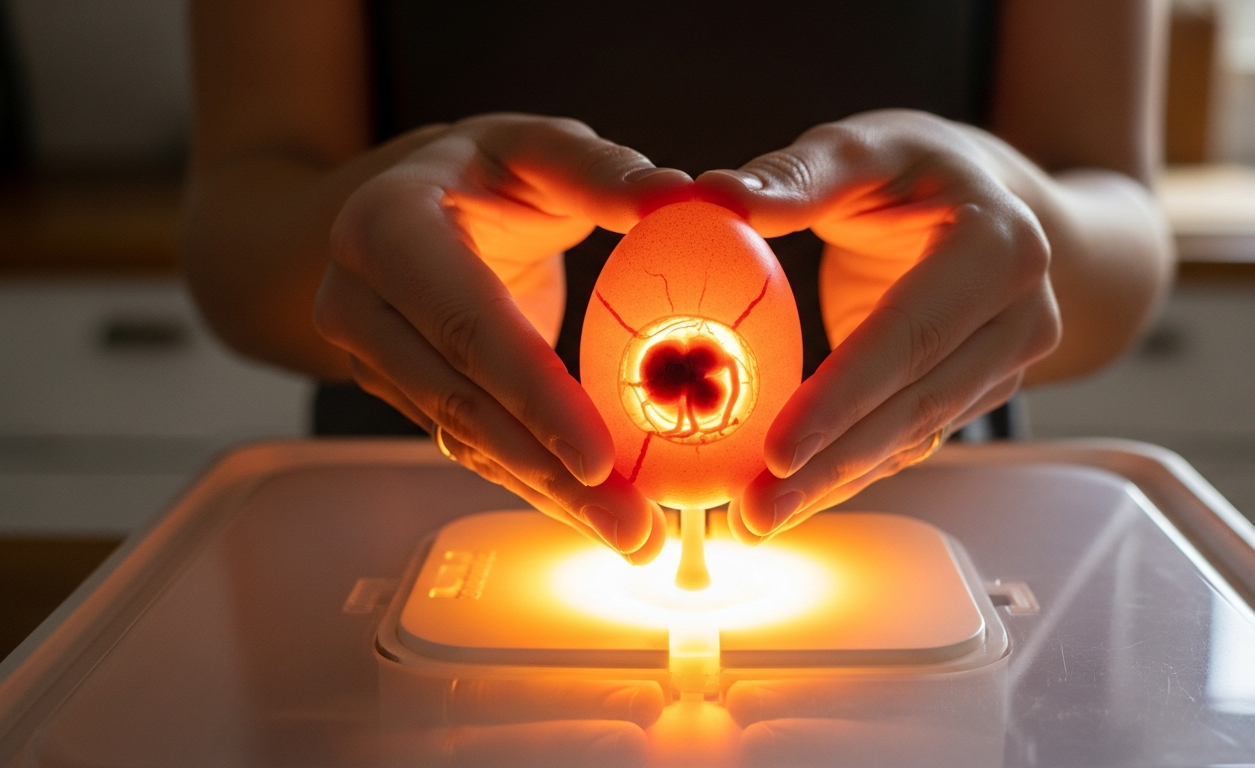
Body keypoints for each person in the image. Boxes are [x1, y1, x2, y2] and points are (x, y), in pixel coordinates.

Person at [182, 0, 1174, 565]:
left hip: (934, 525)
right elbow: (238, 215)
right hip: (403, 524)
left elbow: (1119, 207)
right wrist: (369, 230)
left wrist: (1010, 216)